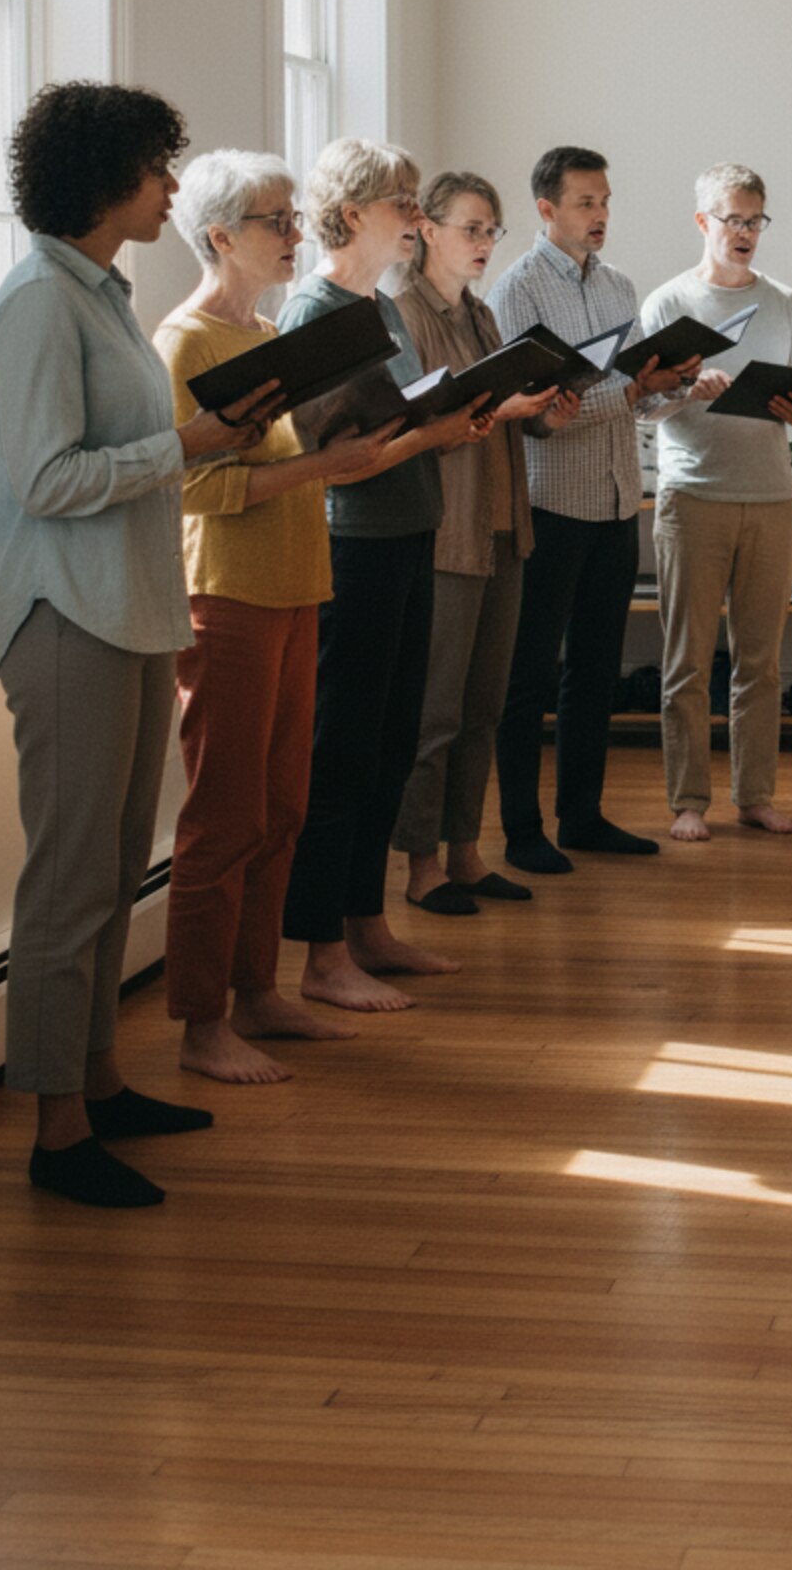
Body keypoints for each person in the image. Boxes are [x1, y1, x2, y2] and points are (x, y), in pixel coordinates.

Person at [0, 82, 274, 1206]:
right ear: (105, 178)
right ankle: (58, 1131)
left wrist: (206, 440)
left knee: (110, 870)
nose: (170, 187)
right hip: (67, 615)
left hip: (133, 608)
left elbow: (135, 454)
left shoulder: (100, 295)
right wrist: (187, 443)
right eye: (157, 168)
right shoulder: (36, 303)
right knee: (69, 880)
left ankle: (97, 1081)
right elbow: (46, 480)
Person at [154, 150, 398, 1084]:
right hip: (228, 596)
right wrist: (320, 467)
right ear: (221, 236)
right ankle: (201, 1022)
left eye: (295, 216)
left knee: (283, 807)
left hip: (299, 586)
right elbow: (189, 488)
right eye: (277, 220)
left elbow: (279, 464)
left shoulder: (263, 333)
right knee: (223, 816)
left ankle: (257, 992)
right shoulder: (186, 342)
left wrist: (353, 449)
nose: (297, 233)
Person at [276, 139, 492, 1011]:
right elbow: (332, 462)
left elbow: (397, 418)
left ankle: (367, 927)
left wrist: (447, 419)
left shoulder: (384, 307)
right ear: (350, 213)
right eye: (401, 201)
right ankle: (322, 955)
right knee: (343, 750)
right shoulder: (312, 311)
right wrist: (436, 433)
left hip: (410, 533)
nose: (414, 215)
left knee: (393, 743)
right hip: (353, 546)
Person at [489, 147, 683, 875]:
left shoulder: (619, 285)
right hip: (550, 504)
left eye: (604, 201)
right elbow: (539, 414)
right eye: (585, 203)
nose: (600, 215)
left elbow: (637, 400)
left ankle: (583, 816)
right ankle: (520, 830)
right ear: (547, 209)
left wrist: (670, 386)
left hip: (615, 500)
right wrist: (631, 393)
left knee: (597, 671)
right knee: (529, 675)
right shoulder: (517, 291)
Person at [393, 172, 581, 914]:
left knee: (485, 708)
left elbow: (502, 413)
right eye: (471, 228)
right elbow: (413, 431)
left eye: (491, 230)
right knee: (435, 712)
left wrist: (543, 416)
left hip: (505, 529)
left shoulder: (481, 313)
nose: (484, 243)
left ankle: (466, 853)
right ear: (427, 229)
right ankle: (421, 867)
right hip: (447, 533)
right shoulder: (403, 312)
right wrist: (502, 410)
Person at [641, 163, 792, 843]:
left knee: (761, 663)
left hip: (772, 497)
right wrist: (688, 389)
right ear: (702, 222)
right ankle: (689, 801)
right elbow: (643, 406)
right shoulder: (668, 303)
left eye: (755, 220)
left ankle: (755, 796)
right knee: (687, 660)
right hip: (694, 498)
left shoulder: (784, 301)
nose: (745, 232)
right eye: (732, 219)